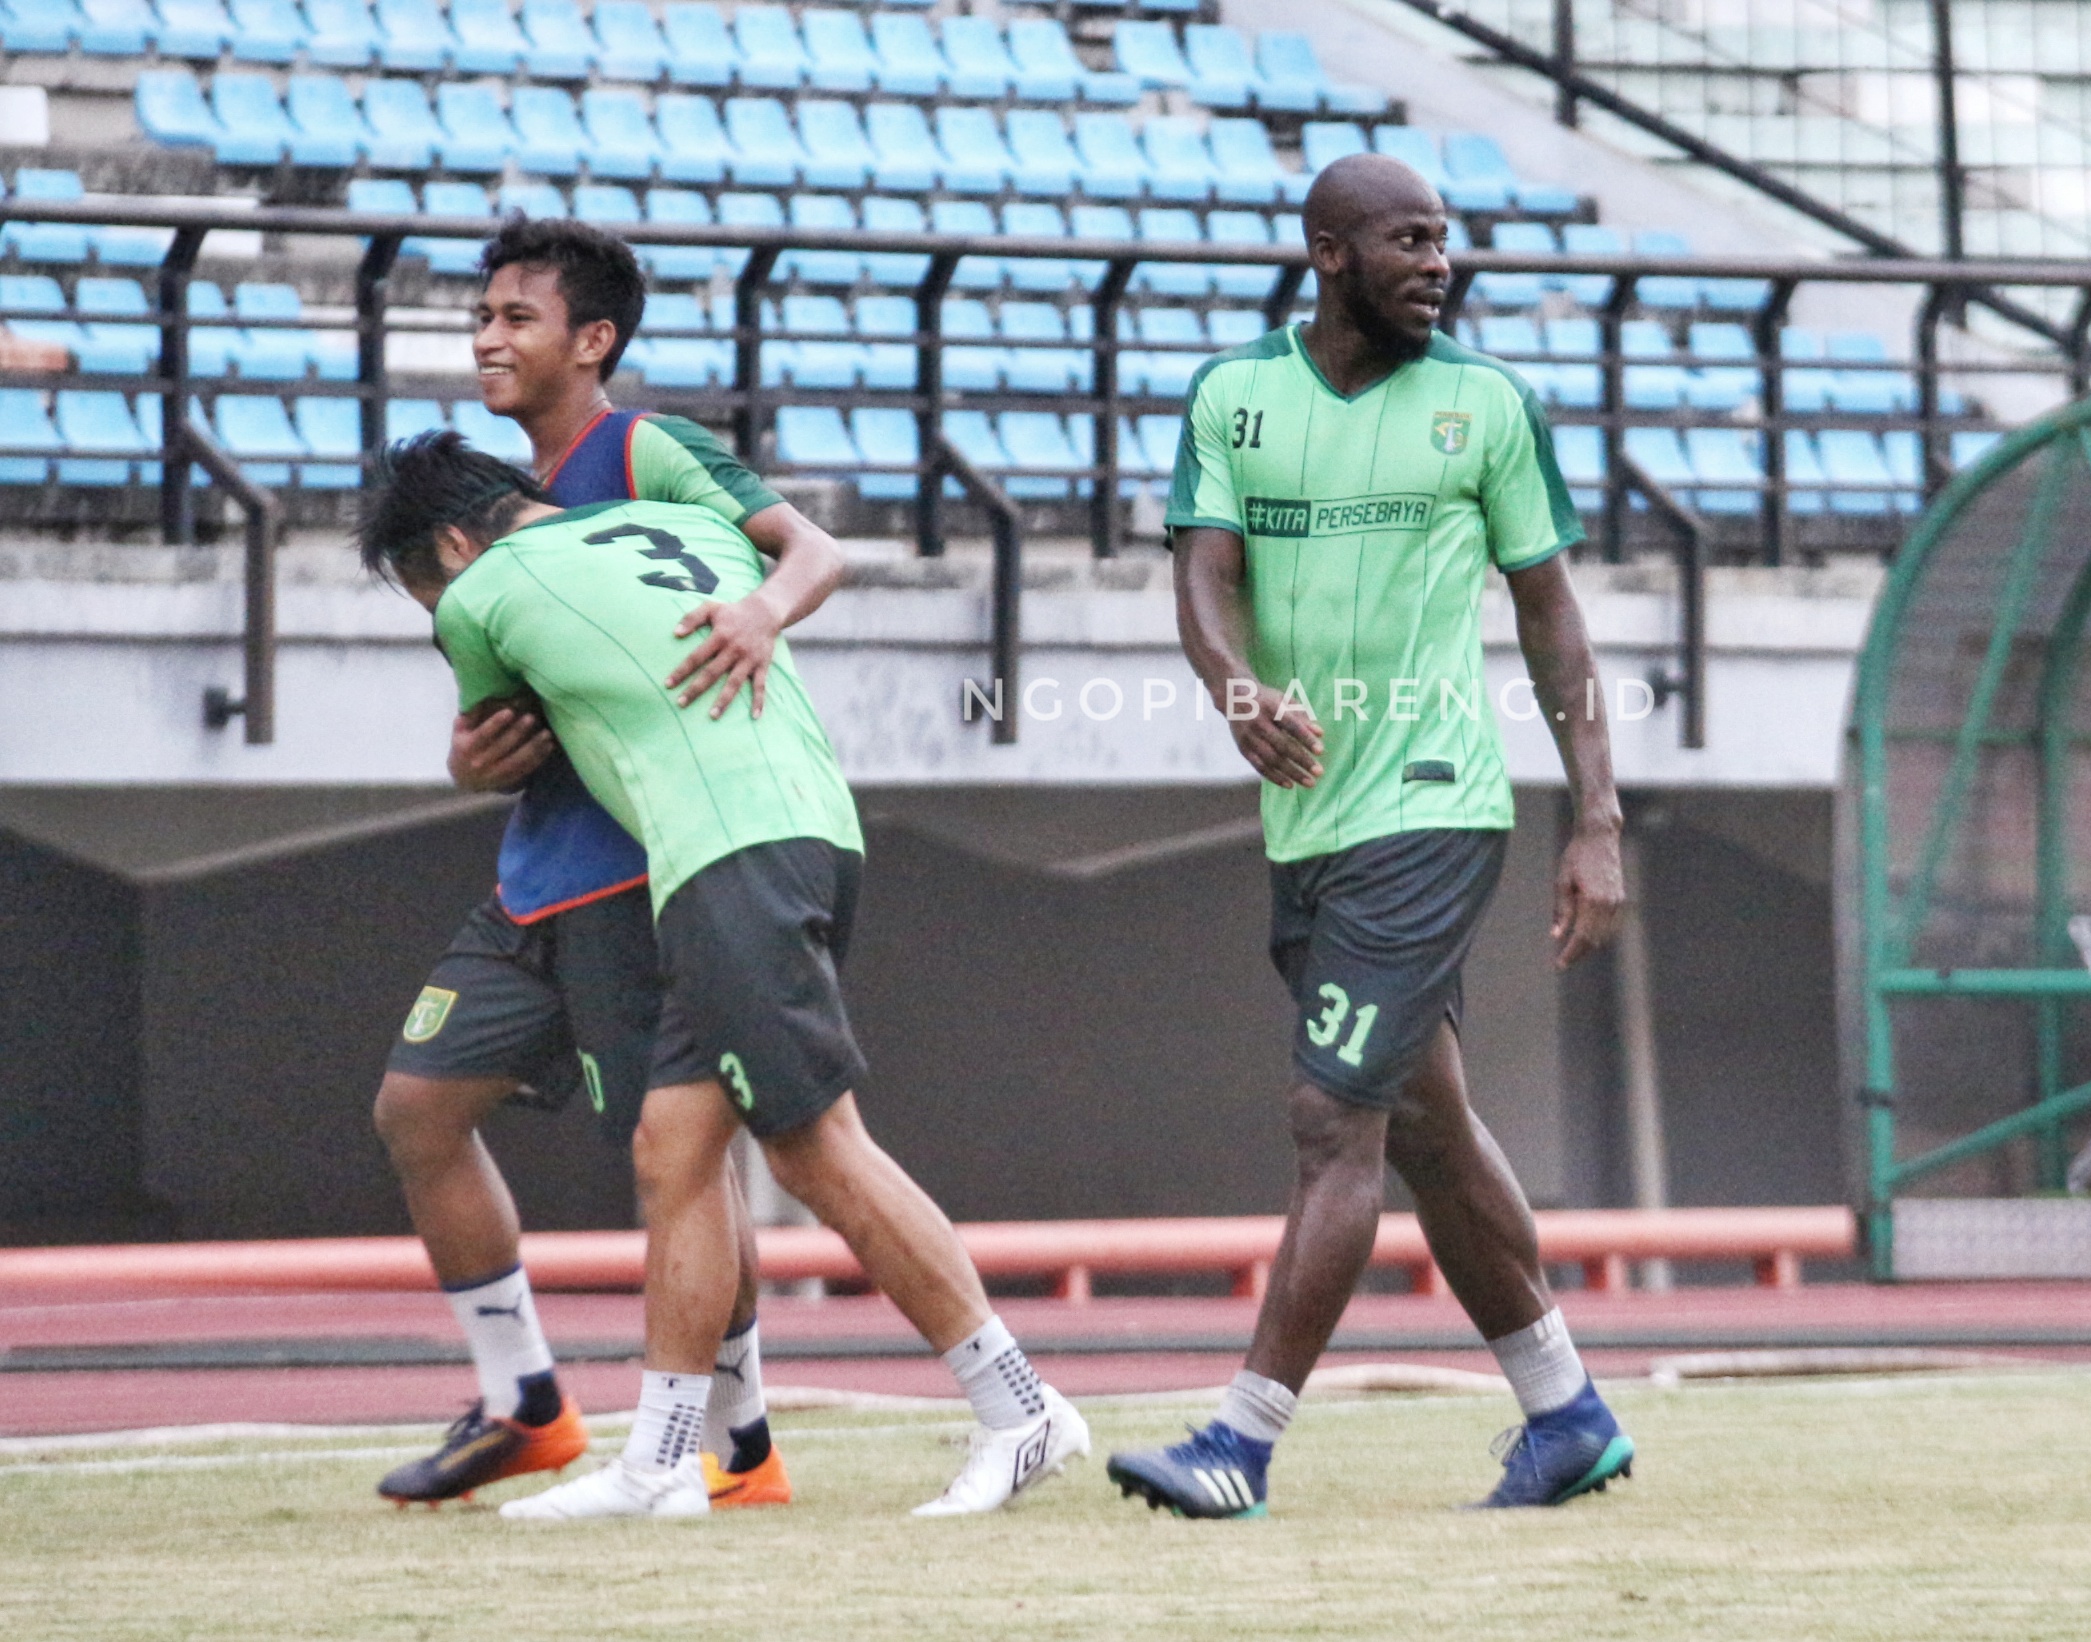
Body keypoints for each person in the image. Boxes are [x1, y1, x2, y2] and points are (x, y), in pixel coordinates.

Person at [361, 432, 1090, 1520]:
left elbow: (504, 736)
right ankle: (661, 1464)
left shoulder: (478, 598)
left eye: (425, 590)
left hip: (722, 850)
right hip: (805, 829)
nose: (436, 613)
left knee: (818, 1150)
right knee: (675, 1153)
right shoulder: (696, 526)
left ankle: (1022, 1407)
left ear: (455, 544)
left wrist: (466, 741)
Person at [1104, 153, 1632, 1519]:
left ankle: (1239, 1440)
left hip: (1435, 801)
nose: (1435, 263)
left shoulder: (1485, 406)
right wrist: (1234, 688)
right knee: (1428, 1132)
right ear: (1327, 252)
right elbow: (1201, 577)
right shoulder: (1233, 396)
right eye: (1406, 240)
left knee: (1330, 1114)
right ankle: (1564, 1411)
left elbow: (1550, 614)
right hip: (1308, 821)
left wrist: (1597, 816)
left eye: (1442, 241)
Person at [371, 216, 847, 1510]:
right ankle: (525, 1399)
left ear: (592, 342)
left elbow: (806, 548)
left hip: (653, 869)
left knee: (678, 1164)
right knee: (416, 1106)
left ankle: (737, 1445)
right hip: (535, 866)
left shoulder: (643, 448)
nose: (486, 336)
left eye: (515, 317)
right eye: (480, 315)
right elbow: (515, 703)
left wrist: (759, 607)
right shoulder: (482, 502)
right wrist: (474, 765)